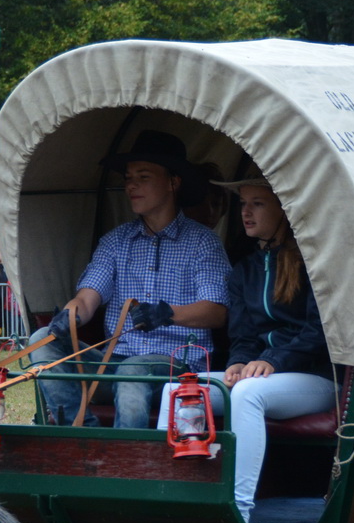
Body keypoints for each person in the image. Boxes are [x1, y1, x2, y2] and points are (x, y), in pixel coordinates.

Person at [149, 178, 334, 523]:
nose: (246, 212)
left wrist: (271, 361)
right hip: (265, 373)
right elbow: (244, 336)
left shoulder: (314, 265)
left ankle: (238, 513)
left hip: (317, 379)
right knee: (179, 390)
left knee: (247, 393)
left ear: (285, 209)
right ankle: (175, 502)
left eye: (258, 204)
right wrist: (237, 362)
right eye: (243, 204)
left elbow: (319, 333)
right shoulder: (245, 270)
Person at [30, 130, 228, 427]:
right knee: (41, 339)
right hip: (114, 365)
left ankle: (126, 453)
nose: (131, 185)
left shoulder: (203, 243)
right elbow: (87, 298)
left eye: (143, 177)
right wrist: (68, 317)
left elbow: (216, 311)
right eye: (128, 178)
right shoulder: (115, 241)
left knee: (133, 369)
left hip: (177, 369)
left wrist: (166, 314)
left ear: (173, 182)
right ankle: (80, 435)